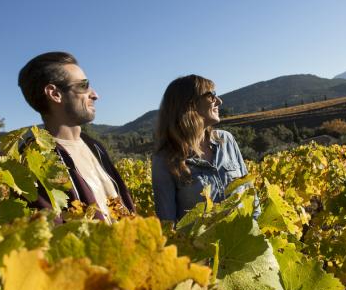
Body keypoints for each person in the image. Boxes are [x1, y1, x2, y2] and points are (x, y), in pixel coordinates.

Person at [17, 51, 135, 221]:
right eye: (83, 86)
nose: (95, 95)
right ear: (55, 94)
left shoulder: (95, 147)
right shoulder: (34, 161)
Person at [152, 74, 252, 222]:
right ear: (189, 104)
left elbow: (250, 195)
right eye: (211, 96)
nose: (219, 101)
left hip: (241, 243)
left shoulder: (226, 140)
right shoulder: (164, 160)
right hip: (200, 246)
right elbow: (168, 226)